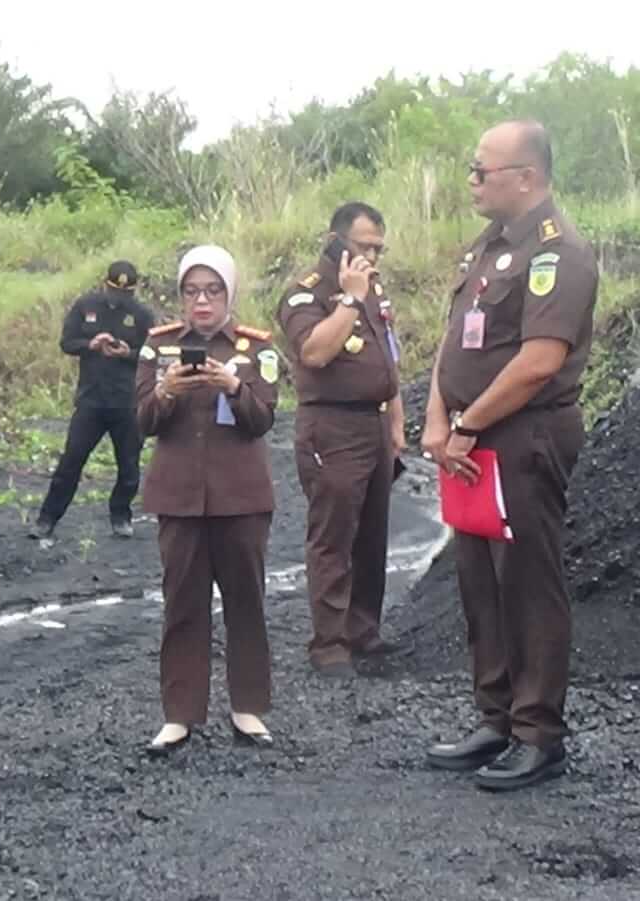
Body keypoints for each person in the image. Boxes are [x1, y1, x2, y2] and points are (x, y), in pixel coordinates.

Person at [421, 121, 597, 792]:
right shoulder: (487, 248)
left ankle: (537, 732)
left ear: (525, 176)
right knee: (480, 582)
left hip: (523, 437)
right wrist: (439, 417)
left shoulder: (559, 253)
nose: (471, 181)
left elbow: (537, 363)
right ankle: (495, 715)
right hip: (471, 438)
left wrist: (467, 421)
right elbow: (454, 342)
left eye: (480, 171)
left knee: (526, 582)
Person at [135, 246, 280, 755]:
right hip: (178, 497)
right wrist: (167, 392)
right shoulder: (157, 349)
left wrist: (234, 386)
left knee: (247, 602)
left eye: (213, 290)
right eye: (192, 291)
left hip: (241, 496)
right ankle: (179, 715)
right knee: (182, 605)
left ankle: (248, 709)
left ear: (229, 294)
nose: (202, 301)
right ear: (180, 296)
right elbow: (143, 421)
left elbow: (263, 418)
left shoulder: (256, 349)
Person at [276, 204, 406, 679]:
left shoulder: (373, 291)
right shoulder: (305, 295)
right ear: (335, 240)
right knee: (333, 536)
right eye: (364, 245)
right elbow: (314, 351)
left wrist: (395, 424)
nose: (372, 256)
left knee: (373, 534)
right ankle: (329, 643)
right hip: (331, 429)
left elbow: (386, 361)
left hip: (373, 425)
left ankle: (363, 630)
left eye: (378, 249)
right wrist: (349, 301)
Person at [31, 261, 154, 540]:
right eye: (114, 291)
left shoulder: (142, 315)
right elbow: (66, 343)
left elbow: (152, 356)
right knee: (71, 462)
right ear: (105, 284)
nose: (118, 298)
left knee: (129, 465)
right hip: (91, 400)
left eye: (125, 293)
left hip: (127, 401)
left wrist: (127, 353)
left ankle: (121, 515)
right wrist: (91, 345)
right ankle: (47, 518)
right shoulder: (85, 305)